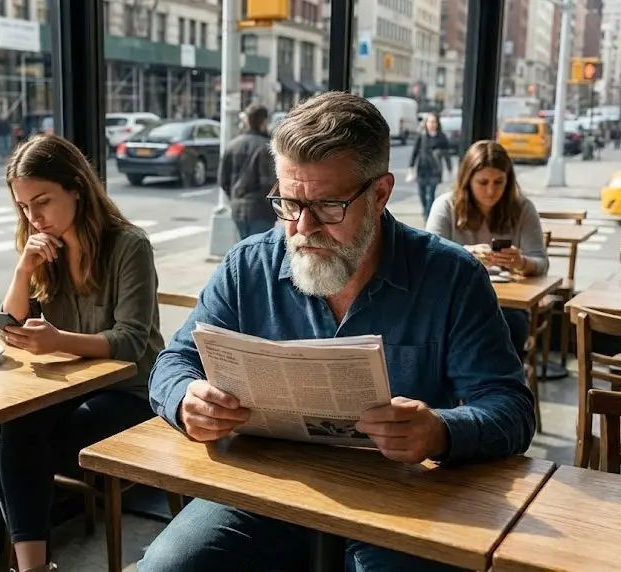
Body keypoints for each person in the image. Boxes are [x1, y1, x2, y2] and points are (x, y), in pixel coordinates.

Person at [139, 92, 535, 572]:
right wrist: (186, 398)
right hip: (268, 488)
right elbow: (174, 361)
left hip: (401, 496)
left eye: (328, 206)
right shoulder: (248, 266)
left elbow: (511, 409)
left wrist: (441, 431)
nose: (303, 227)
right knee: (166, 567)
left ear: (380, 194)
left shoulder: (451, 277)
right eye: (288, 202)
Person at [0, 134, 163, 572]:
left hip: (134, 393)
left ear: (77, 189)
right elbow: (11, 325)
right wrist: (23, 270)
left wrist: (57, 341)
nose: (34, 217)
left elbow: (130, 342)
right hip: (75, 386)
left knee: (9, 455)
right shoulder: (44, 248)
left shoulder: (129, 246)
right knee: (16, 432)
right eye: (24, 207)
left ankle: (32, 568)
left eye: (42, 202)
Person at [425, 140, 548, 354]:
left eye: (499, 182)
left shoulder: (522, 208)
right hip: (456, 299)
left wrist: (521, 262)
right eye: (483, 182)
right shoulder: (446, 206)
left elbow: (541, 262)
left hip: (507, 304)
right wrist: (465, 255)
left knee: (510, 325)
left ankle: (502, 376)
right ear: (467, 180)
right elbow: (429, 260)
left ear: (508, 181)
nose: (491, 191)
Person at [219, 102, 278, 239]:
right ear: (264, 122)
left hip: (238, 209)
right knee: (260, 248)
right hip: (261, 210)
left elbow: (223, 180)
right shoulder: (267, 147)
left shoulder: (232, 145)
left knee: (244, 246)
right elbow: (271, 183)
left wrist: (234, 197)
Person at [408, 112, 453, 219]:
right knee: (422, 193)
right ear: (426, 123)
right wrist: (411, 166)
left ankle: (428, 215)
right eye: (430, 122)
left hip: (435, 170)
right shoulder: (422, 136)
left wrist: (449, 168)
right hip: (422, 169)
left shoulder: (442, 137)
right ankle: (425, 210)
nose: (432, 124)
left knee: (431, 193)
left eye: (434, 122)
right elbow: (415, 152)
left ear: (437, 124)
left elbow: (447, 155)